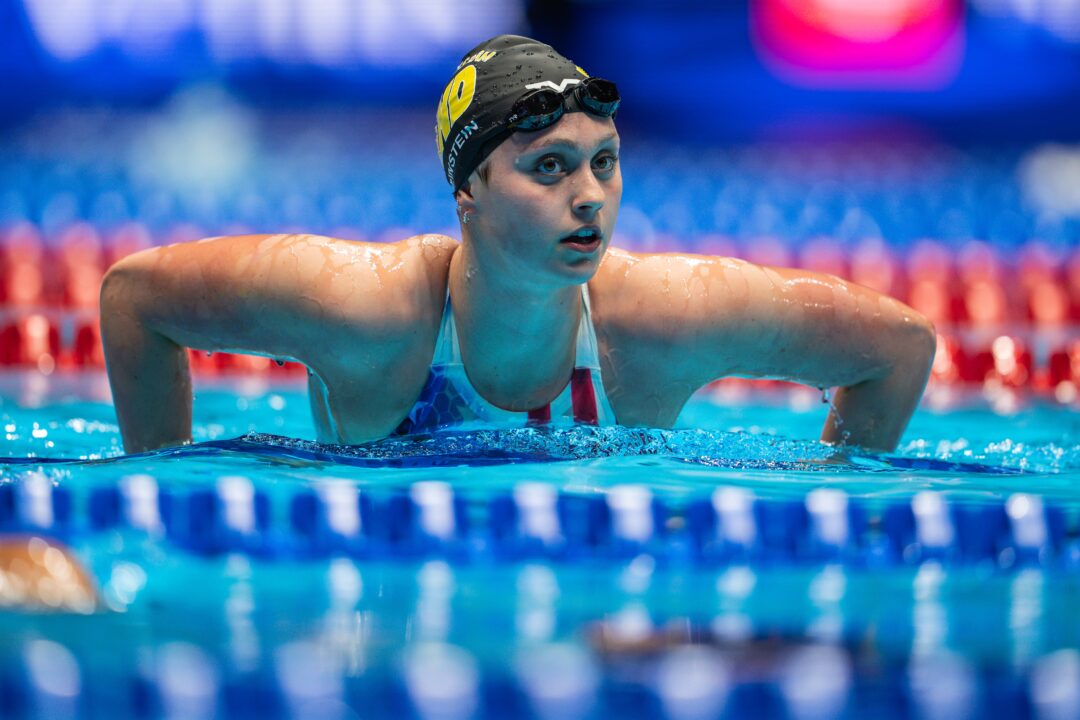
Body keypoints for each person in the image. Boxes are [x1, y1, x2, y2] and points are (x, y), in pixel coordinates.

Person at [100, 34, 935, 455]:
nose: (589, 198)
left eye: (605, 163)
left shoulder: (659, 321)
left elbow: (898, 348)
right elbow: (137, 298)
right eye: (549, 168)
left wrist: (832, 502)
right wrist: (161, 499)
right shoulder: (363, 306)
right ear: (469, 192)